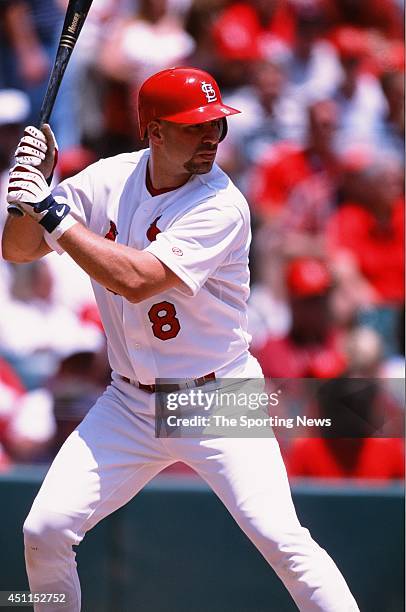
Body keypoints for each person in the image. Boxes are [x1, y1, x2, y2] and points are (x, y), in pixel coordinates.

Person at [2, 67, 359, 612]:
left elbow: (137, 280)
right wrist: (29, 191)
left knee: (282, 540)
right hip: (128, 400)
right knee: (45, 527)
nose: (212, 138)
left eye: (216, 124)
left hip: (214, 397)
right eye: (195, 127)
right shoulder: (109, 179)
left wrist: (50, 210)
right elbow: (19, 249)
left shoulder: (222, 204)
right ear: (155, 131)